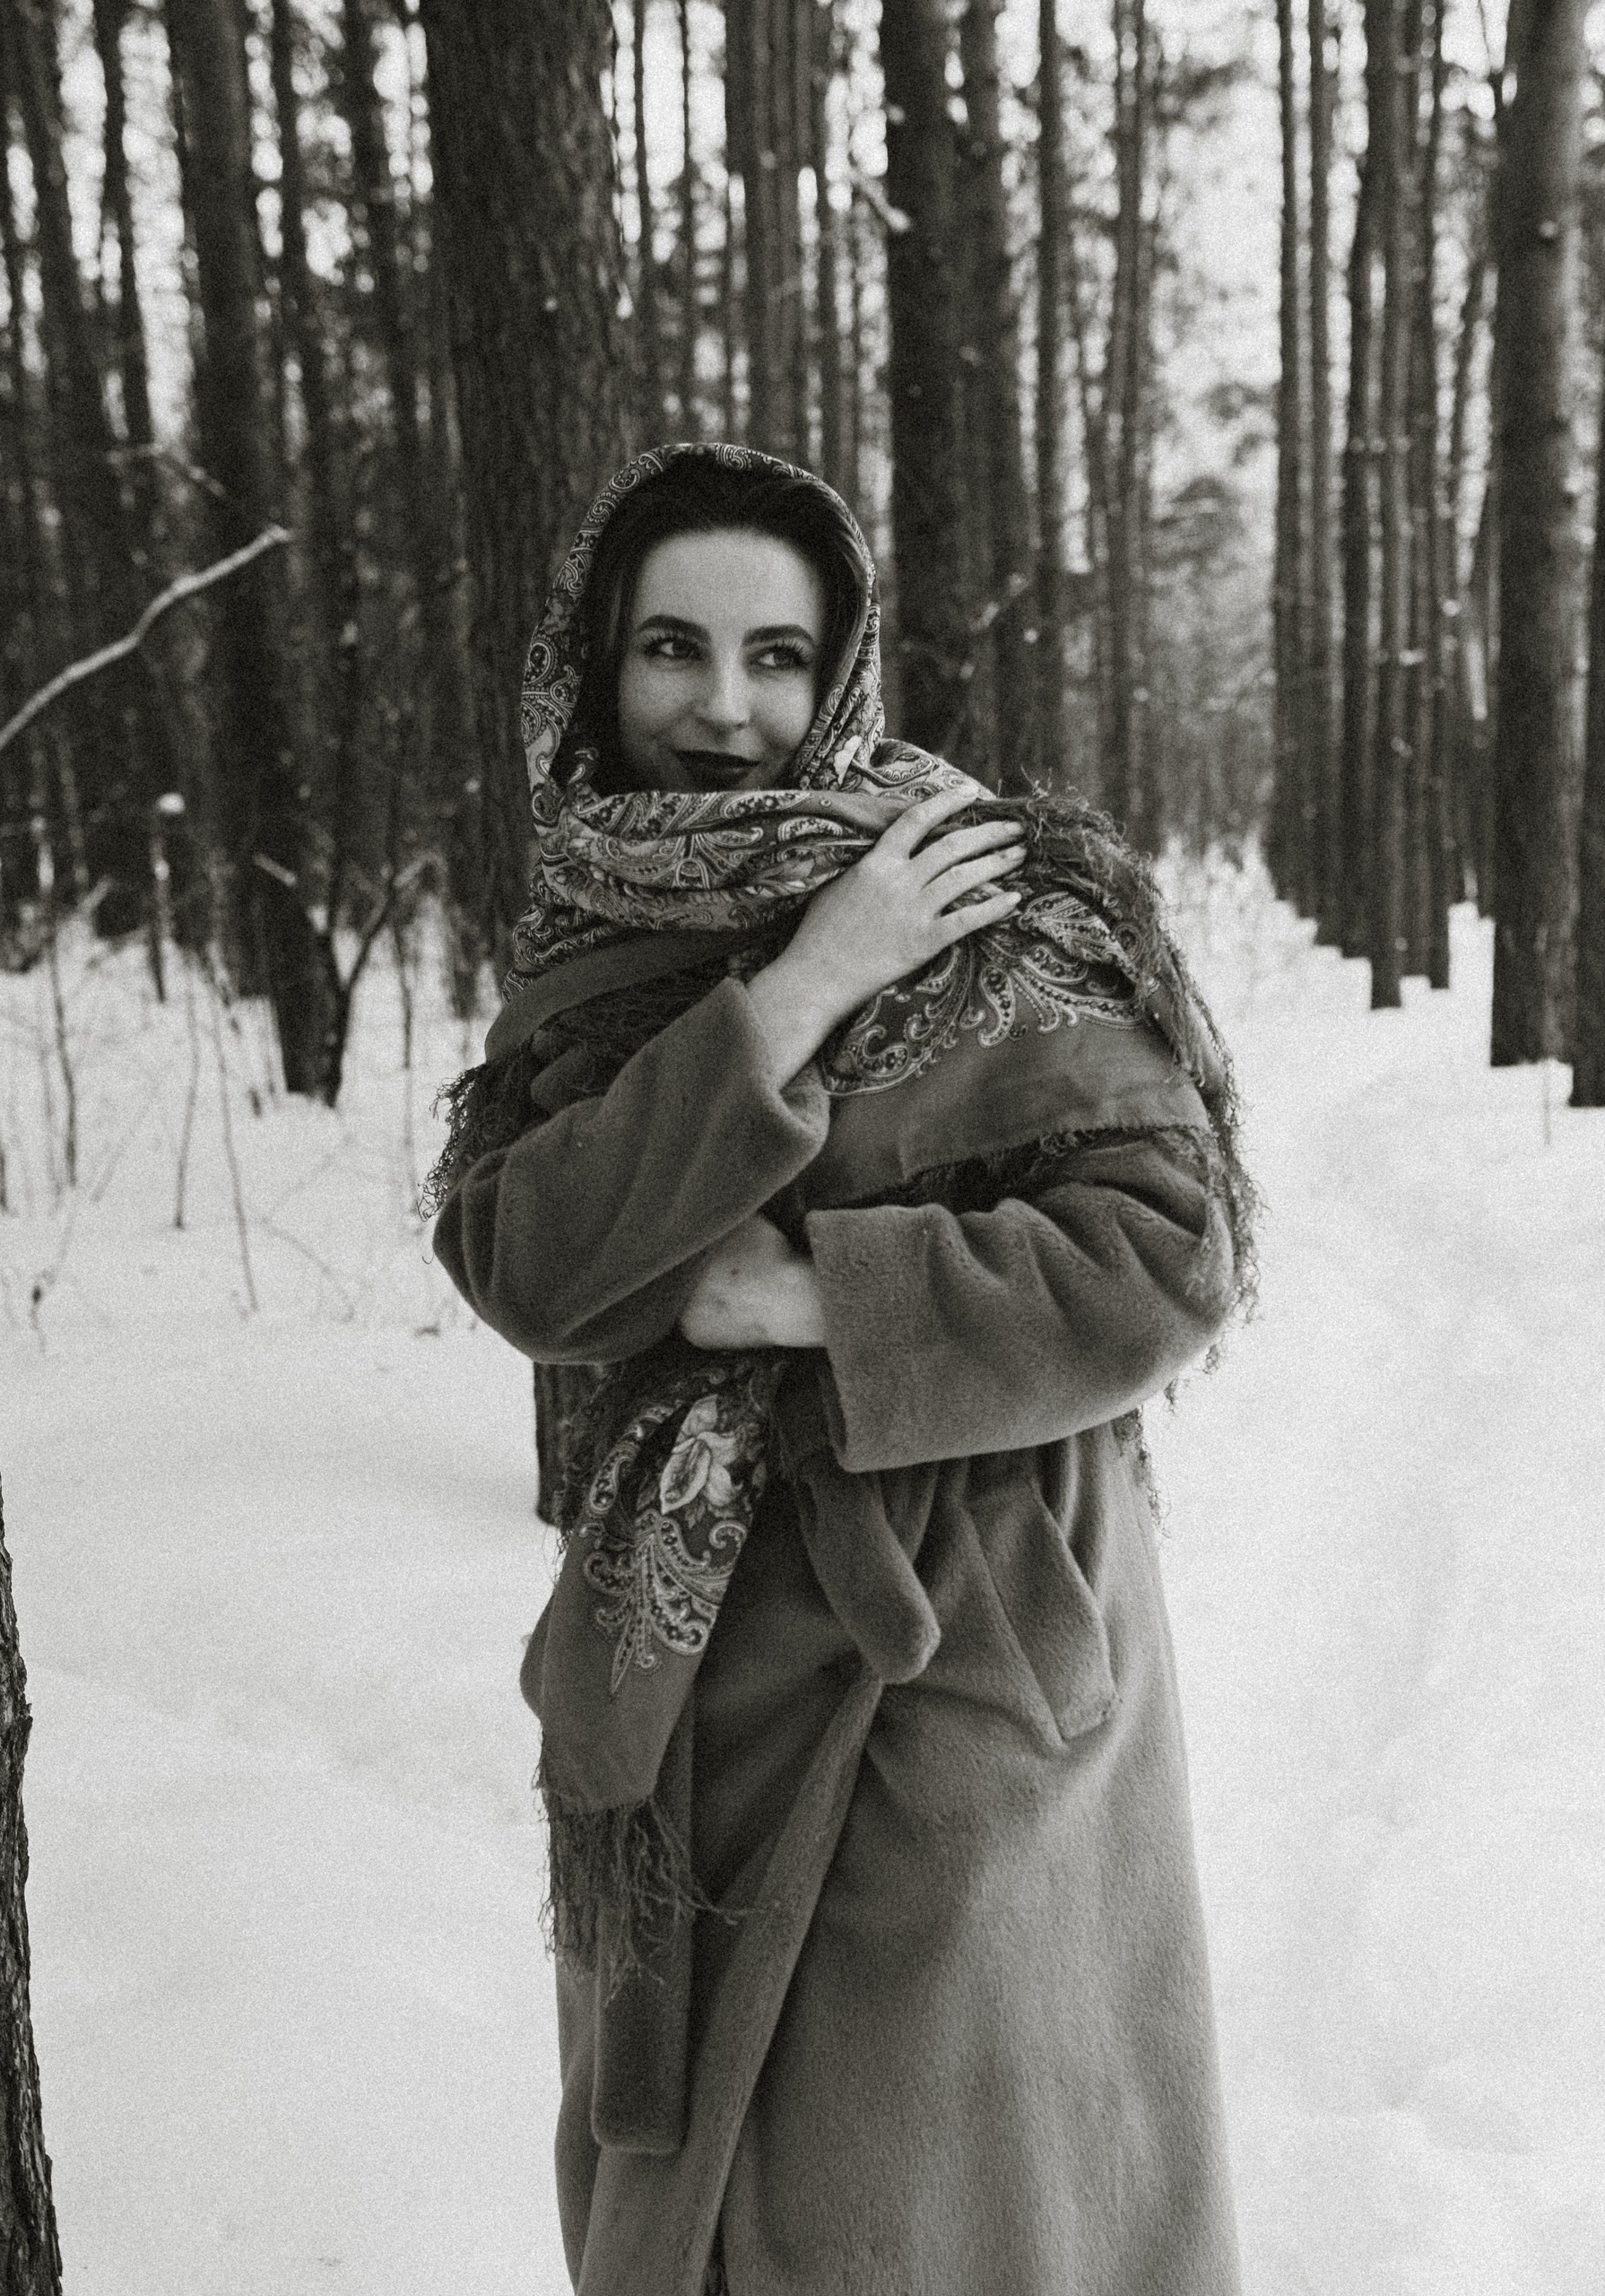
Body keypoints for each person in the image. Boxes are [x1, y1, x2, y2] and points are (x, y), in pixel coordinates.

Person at [429, 443, 1255, 2296]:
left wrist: (820, 1296)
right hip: (689, 1680)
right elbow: (533, 1266)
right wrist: (805, 979)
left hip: (960, 1637)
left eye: (777, 655)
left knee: (937, 2196)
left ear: (843, 666)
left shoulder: (987, 892)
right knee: (715, 2198)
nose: (724, 708)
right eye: (673, 647)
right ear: (600, 660)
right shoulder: (590, 939)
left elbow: (1165, 1249)